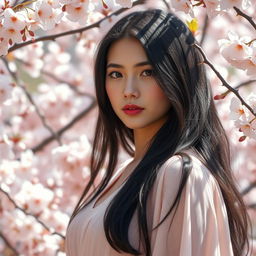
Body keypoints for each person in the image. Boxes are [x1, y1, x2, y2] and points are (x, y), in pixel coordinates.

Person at [65, 9, 250, 256]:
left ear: (177, 77)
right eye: (116, 74)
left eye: (147, 72)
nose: (129, 90)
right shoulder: (126, 174)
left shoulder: (180, 175)